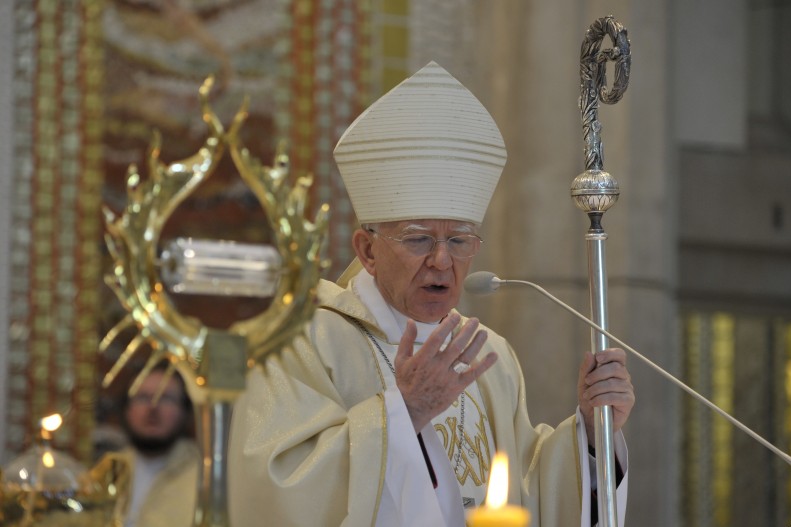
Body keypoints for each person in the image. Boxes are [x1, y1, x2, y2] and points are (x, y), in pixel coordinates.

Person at [228, 61, 634, 526]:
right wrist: (403, 413)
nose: (442, 261)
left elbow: (527, 491)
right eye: (419, 239)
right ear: (367, 250)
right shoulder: (298, 337)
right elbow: (277, 487)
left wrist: (591, 435)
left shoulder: (490, 358)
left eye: (460, 241)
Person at [118, 361, 200, 527]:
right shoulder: (110, 470)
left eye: (165, 398)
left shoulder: (204, 478)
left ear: (185, 411)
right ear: (127, 409)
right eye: (143, 397)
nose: (153, 407)